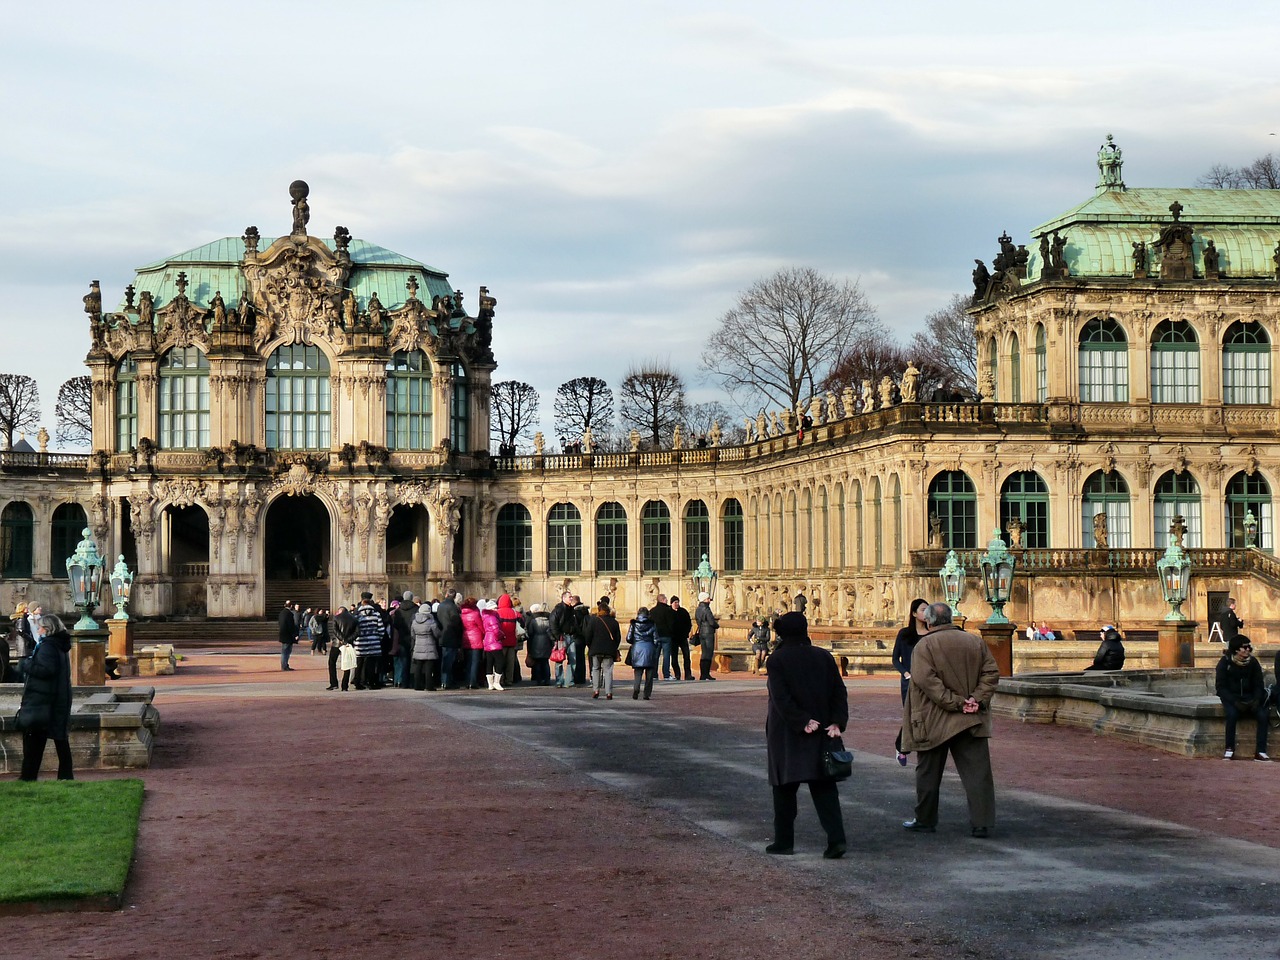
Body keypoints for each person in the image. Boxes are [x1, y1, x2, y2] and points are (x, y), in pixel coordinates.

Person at [901, 602, 1000, 838]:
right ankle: (982, 822)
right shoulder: (975, 641)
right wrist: (975, 699)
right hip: (971, 719)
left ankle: (925, 819)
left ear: (929, 621)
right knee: (978, 774)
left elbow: (927, 681)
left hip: (933, 718)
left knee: (927, 773)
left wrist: (956, 702)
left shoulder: (924, 645)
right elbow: (991, 673)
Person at [763, 611, 848, 859]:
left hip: (788, 733)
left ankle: (784, 841)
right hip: (822, 730)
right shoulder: (823, 656)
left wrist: (801, 721)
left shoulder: (777, 659)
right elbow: (838, 692)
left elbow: (780, 697)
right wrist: (837, 722)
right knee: (825, 790)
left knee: (784, 789)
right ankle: (836, 840)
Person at [17, 614, 74, 781]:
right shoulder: (59, 645)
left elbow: (45, 670)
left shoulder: (48, 646)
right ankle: (65, 776)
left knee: (33, 739)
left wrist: (26, 664)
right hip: (56, 699)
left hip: (43, 700)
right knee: (59, 739)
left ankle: (28, 776)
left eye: (41, 627)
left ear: (48, 629)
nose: (38, 630)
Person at [1215, 635, 1270, 761]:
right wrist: (1234, 701)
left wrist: (1256, 699)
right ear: (1236, 650)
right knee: (1232, 714)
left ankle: (1261, 751)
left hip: (1249, 697)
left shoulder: (1253, 662)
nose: (1247, 650)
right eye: (1244, 647)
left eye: (1249, 647)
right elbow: (1221, 687)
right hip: (1232, 697)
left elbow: (1258, 684)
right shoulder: (1225, 663)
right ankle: (1229, 748)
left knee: (1262, 715)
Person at [892, 598, 929, 765]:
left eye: (928, 610)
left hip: (928, 681)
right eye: (922, 610)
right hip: (909, 680)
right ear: (914, 613)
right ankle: (901, 746)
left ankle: (924, 746)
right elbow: (895, 659)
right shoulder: (905, 634)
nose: (926, 613)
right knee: (910, 714)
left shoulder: (932, 634)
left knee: (927, 714)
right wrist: (906, 673)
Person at [586, 601, 622, 700]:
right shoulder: (614, 622)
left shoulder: (593, 621)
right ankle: (608, 692)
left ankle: (596, 690)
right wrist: (614, 647)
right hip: (609, 650)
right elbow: (618, 638)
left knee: (596, 669)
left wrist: (590, 646)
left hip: (595, 649)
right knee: (608, 671)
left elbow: (588, 635)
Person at [627, 606, 659, 700]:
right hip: (649, 649)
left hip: (637, 649)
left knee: (638, 672)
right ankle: (646, 694)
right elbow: (656, 639)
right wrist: (654, 647)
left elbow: (629, 638)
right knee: (649, 674)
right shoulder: (652, 624)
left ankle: (636, 689)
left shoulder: (633, 624)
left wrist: (635, 641)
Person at [355, 593, 385, 689]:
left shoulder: (357, 615)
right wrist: (377, 638)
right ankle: (371, 683)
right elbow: (381, 629)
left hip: (360, 642)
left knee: (359, 664)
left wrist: (356, 640)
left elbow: (355, 629)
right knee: (371, 665)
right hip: (374, 642)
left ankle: (358, 682)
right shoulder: (376, 614)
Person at [436, 589, 463, 689]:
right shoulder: (453, 607)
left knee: (444, 660)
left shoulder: (440, 606)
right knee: (449, 661)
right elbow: (456, 624)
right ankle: (447, 682)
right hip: (451, 637)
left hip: (442, 636)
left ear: (446, 595)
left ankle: (444, 681)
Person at [410, 602, 441, 691]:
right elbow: (437, 634)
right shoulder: (431, 621)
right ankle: (429, 686)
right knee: (428, 667)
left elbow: (412, 635)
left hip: (418, 646)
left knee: (418, 667)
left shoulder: (414, 621)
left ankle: (417, 685)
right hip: (429, 646)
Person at [329, 605, 357, 690]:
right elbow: (357, 632)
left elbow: (335, 630)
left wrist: (342, 639)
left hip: (337, 643)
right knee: (347, 663)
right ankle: (344, 685)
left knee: (332, 662)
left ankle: (334, 683)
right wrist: (347, 640)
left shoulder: (336, 618)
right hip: (348, 644)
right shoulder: (354, 618)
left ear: (340, 611)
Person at [525, 603, 554, 685]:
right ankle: (547, 679)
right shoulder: (549, 620)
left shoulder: (534, 621)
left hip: (535, 641)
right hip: (546, 642)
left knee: (537, 662)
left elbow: (530, 632)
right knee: (545, 662)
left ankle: (539, 679)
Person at [459, 597, 484, 689]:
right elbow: (481, 627)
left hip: (465, 638)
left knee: (468, 662)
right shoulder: (475, 614)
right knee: (475, 662)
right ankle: (473, 682)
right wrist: (484, 634)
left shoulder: (462, 614)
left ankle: (467, 681)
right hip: (476, 639)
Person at [497, 594, 522, 687]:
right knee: (510, 662)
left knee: (500, 661)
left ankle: (501, 679)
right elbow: (522, 622)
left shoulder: (497, 612)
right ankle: (509, 680)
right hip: (512, 641)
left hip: (501, 641)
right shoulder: (514, 612)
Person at [480, 599, 505, 690]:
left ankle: (490, 683)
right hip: (494, 641)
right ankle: (496, 682)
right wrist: (503, 636)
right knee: (500, 661)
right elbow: (496, 630)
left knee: (489, 662)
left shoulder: (485, 616)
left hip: (487, 640)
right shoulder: (492, 617)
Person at [650, 593, 676, 680]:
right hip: (666, 635)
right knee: (666, 656)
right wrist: (671, 632)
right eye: (666, 599)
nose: (667, 601)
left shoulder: (652, 611)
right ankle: (666, 674)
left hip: (656, 636)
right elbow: (672, 623)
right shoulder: (668, 610)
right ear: (663, 600)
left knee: (655, 656)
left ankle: (654, 674)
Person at [694, 592, 719, 680]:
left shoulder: (698, 609)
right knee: (708, 653)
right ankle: (706, 673)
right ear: (704, 600)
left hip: (701, 632)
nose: (709, 600)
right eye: (708, 599)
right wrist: (717, 625)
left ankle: (703, 674)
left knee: (704, 653)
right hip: (708, 632)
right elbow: (711, 622)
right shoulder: (706, 609)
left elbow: (697, 620)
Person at [670, 596, 694, 680]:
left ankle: (688, 674)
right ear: (671, 603)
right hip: (673, 638)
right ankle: (677, 674)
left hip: (683, 637)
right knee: (674, 657)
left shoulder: (683, 612)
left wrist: (686, 632)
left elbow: (689, 623)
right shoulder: (669, 612)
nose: (677, 604)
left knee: (686, 656)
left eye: (677, 602)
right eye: (675, 602)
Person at [278, 599, 297, 671]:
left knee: (284, 651)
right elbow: (291, 625)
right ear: (291, 606)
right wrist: (294, 634)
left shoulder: (281, 613)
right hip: (288, 635)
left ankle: (285, 665)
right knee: (286, 651)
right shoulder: (289, 614)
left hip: (283, 634)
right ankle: (284, 665)